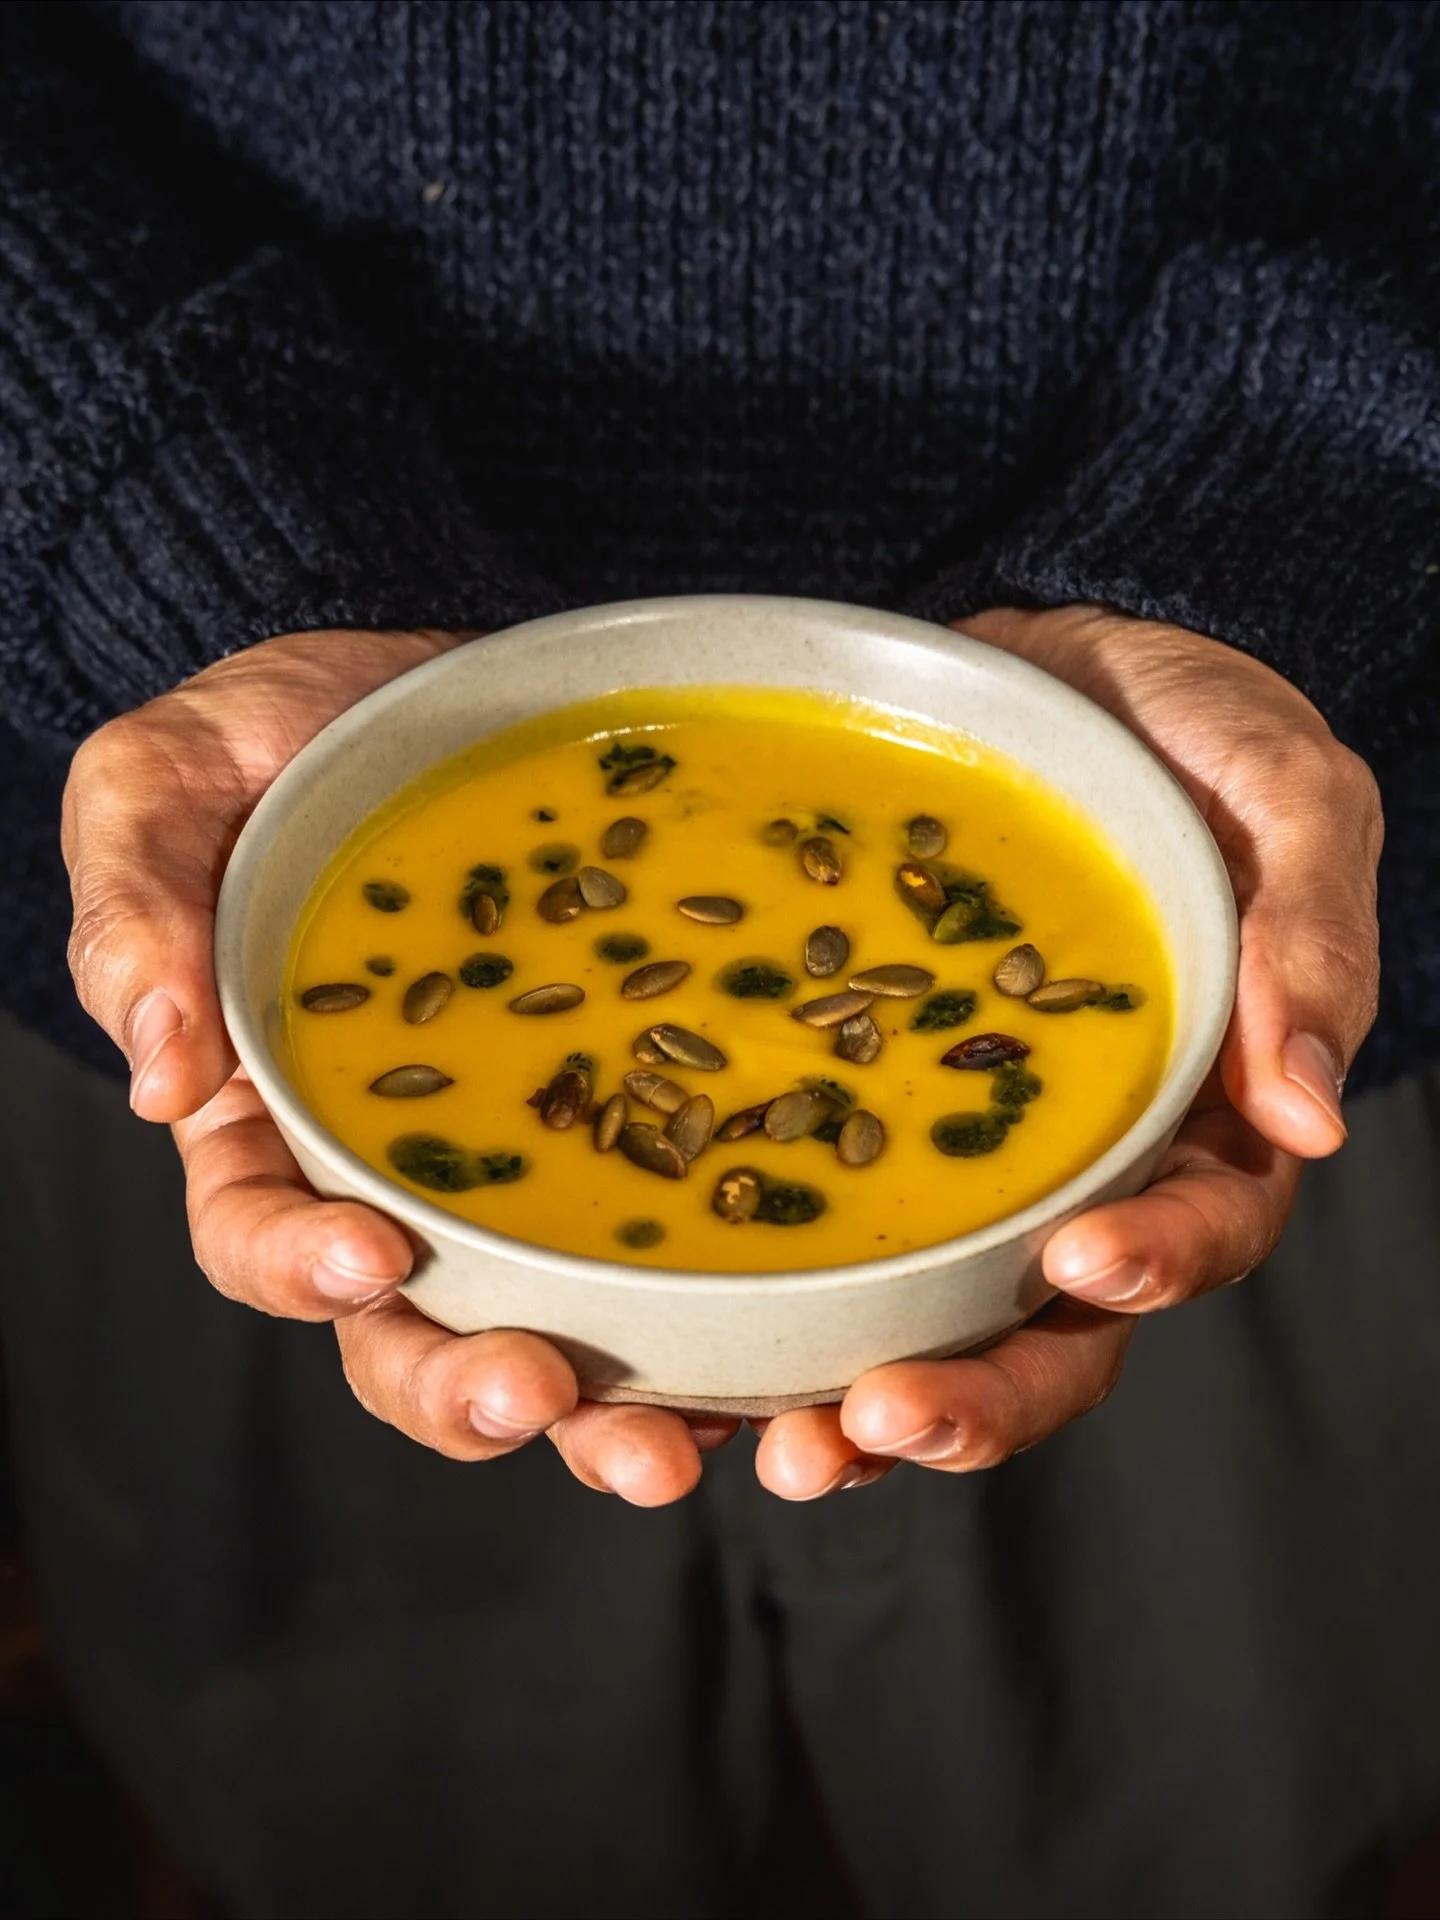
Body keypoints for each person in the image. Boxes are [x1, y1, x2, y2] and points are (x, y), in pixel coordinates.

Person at [2, 3, 1437, 1915]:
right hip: (221, 963)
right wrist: (173, 543)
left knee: (1217, 1830)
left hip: (1268, 935)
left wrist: (1295, 492)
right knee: (354, 1834)